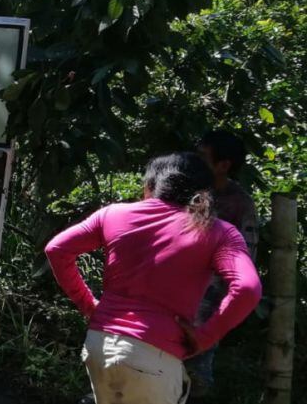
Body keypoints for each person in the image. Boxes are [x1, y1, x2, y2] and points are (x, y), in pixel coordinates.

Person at [45, 152, 262, 404]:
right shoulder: (218, 232)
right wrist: (205, 337)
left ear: (150, 187)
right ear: (204, 194)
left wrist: (89, 306)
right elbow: (248, 288)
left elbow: (56, 249)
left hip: (99, 346)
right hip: (155, 355)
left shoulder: (113, 214)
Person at [186, 130, 260, 398]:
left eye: (202, 156)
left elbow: (246, 259)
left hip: (208, 301)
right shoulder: (185, 191)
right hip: (172, 294)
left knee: (196, 374)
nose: (195, 161)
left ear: (223, 164)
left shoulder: (239, 203)